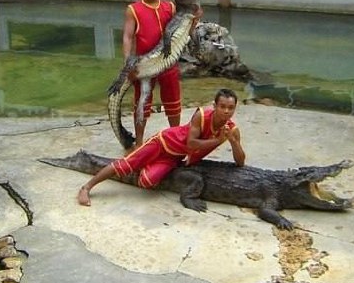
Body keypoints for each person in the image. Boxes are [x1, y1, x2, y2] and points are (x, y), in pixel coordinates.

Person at [77, 88, 246, 206]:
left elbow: (240, 162)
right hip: (163, 143)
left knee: (146, 182)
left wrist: (233, 141)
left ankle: (143, 164)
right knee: (125, 164)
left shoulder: (231, 129)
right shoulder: (201, 115)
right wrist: (218, 141)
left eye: (230, 108)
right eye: (222, 106)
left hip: (175, 157)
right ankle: (86, 188)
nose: (226, 111)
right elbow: (191, 143)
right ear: (215, 106)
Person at [122, 0, 184, 147]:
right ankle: (139, 143)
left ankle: (176, 138)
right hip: (144, 64)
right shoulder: (133, 10)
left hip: (168, 63)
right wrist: (128, 62)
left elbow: (181, 28)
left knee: (173, 102)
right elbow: (127, 36)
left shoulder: (170, 7)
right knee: (142, 104)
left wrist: (195, 19)